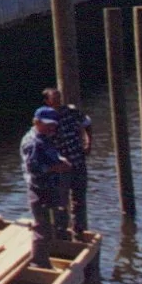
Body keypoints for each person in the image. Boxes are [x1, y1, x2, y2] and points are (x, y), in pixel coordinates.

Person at [21, 107, 73, 268]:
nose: (52, 128)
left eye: (53, 125)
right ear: (36, 122)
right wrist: (56, 168)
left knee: (57, 219)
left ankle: (51, 253)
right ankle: (39, 263)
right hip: (39, 189)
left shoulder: (45, 137)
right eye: (48, 124)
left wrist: (60, 160)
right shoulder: (32, 143)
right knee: (42, 227)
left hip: (50, 186)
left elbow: (51, 155)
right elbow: (33, 169)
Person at [42, 86, 92, 237]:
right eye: (54, 98)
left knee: (79, 199)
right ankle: (61, 232)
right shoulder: (46, 119)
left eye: (59, 98)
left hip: (77, 161)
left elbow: (87, 123)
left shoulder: (71, 112)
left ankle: (79, 230)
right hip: (61, 166)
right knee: (60, 201)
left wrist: (88, 143)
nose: (58, 101)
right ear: (47, 101)